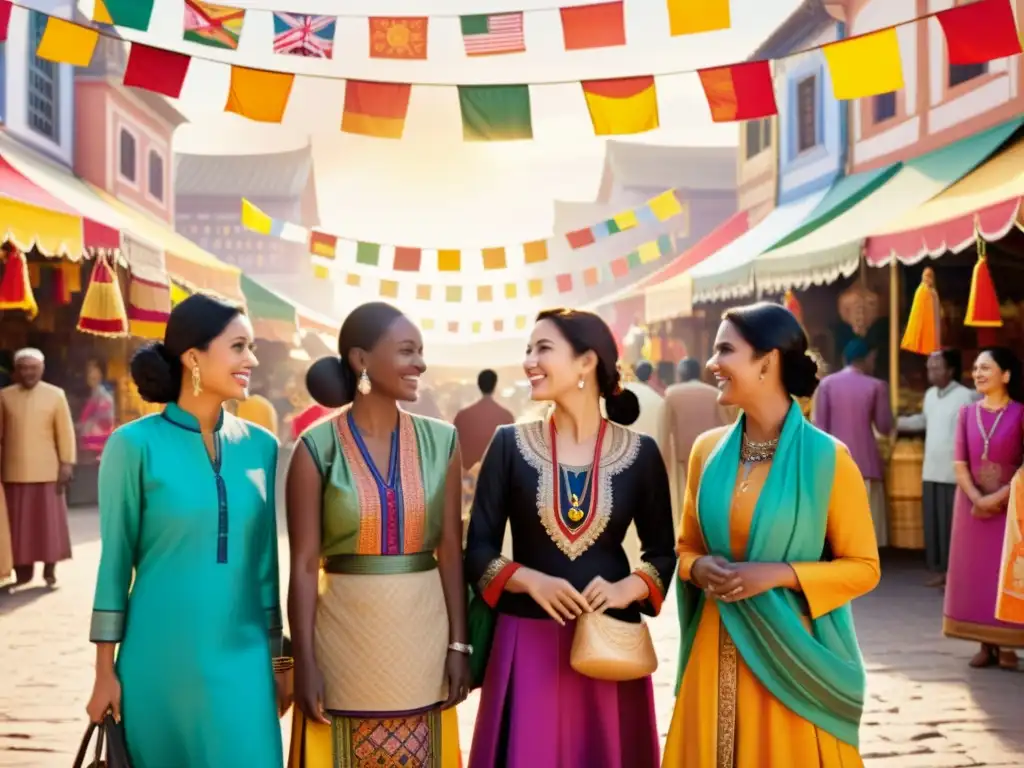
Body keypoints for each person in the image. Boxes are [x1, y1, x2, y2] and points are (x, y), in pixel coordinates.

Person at [663, 302, 881, 767]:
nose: (711, 363)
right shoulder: (707, 452)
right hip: (712, 646)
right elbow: (683, 549)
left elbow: (863, 568)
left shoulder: (828, 459)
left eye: (725, 349)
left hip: (790, 660)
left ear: (767, 361)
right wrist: (699, 568)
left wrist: (778, 574)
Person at [465, 308, 676, 768]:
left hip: (608, 647)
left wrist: (626, 588)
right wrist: (530, 581)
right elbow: (477, 549)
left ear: (586, 362)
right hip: (525, 643)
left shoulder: (641, 454)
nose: (528, 361)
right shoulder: (508, 444)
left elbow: (662, 552)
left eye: (543, 348)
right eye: (527, 349)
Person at [85, 294, 287, 767]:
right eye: (238, 346)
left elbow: (265, 568)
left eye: (252, 347)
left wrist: (280, 663)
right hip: (158, 663)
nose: (251, 360)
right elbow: (114, 565)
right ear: (193, 357)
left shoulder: (262, 446)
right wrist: (103, 673)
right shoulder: (132, 446)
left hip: (245, 660)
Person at [287, 302, 467, 768]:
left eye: (422, 351)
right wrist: (305, 662)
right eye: (407, 351)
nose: (421, 364)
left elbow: (450, 549)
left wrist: (460, 646)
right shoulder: (315, 449)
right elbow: (304, 565)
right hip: (341, 642)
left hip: (423, 639)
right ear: (361, 359)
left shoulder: (442, 441)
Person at [944, 347, 1024, 669]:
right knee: (976, 573)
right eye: (975, 368)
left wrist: (1002, 496)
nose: (977, 373)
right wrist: (977, 498)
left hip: (1013, 507)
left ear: (1005, 375)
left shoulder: (1020, 413)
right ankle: (984, 643)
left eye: (986, 368)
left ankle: (1007, 644)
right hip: (971, 508)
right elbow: (959, 463)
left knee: (1004, 572)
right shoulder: (966, 413)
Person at [897, 350, 978, 586]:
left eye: (936, 367)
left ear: (950, 370)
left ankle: (955, 572)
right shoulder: (931, 395)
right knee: (934, 524)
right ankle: (939, 569)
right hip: (931, 468)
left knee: (952, 525)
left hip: (953, 472)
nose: (930, 372)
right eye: (929, 367)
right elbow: (923, 421)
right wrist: (895, 422)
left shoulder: (966, 396)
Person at [0, 348, 76, 587]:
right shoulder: (4, 396)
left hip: (47, 471)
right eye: (24, 368)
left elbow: (65, 432)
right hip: (13, 470)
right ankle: (23, 571)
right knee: (18, 527)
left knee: (48, 525)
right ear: (16, 371)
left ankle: (49, 570)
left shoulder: (56, 395)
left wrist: (66, 463)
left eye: (33, 368)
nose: (29, 373)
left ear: (42, 369)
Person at [813, 338, 893, 547]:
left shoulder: (826, 384)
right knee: (867, 529)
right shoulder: (877, 386)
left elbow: (818, 428)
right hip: (867, 465)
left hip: (834, 466)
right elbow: (884, 425)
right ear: (866, 358)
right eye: (873, 358)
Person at [660, 357, 736, 524]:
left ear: (679, 374)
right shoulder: (714, 393)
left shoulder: (672, 394)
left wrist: (664, 465)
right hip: (712, 451)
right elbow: (726, 424)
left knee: (688, 496)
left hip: (685, 453)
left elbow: (666, 430)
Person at [453, 369, 515, 471]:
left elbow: (455, 450)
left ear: (479, 385)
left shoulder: (462, 415)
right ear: (495, 385)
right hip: (497, 474)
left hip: (468, 477)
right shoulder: (506, 416)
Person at [78, 359, 115, 458]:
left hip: (97, 451)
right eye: (89, 371)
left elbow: (107, 422)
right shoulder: (93, 395)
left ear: (101, 374)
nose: (90, 375)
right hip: (89, 450)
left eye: (94, 370)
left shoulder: (104, 396)